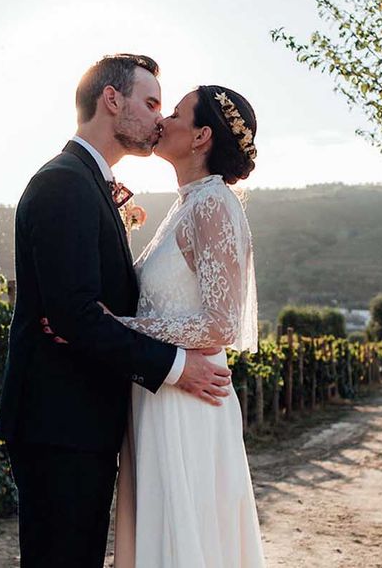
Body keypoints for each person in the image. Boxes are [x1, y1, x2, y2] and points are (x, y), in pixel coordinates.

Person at [0, 54, 233, 568]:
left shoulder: (86, 182)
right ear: (111, 100)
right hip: (60, 423)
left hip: (82, 421)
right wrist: (176, 368)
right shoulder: (65, 182)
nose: (158, 118)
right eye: (150, 103)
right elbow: (76, 315)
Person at [111, 84, 267, 567]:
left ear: (201, 136)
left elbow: (221, 323)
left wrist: (119, 326)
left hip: (188, 400)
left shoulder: (214, 203)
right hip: (162, 392)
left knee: (186, 535)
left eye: (175, 113)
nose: (163, 121)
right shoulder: (187, 203)